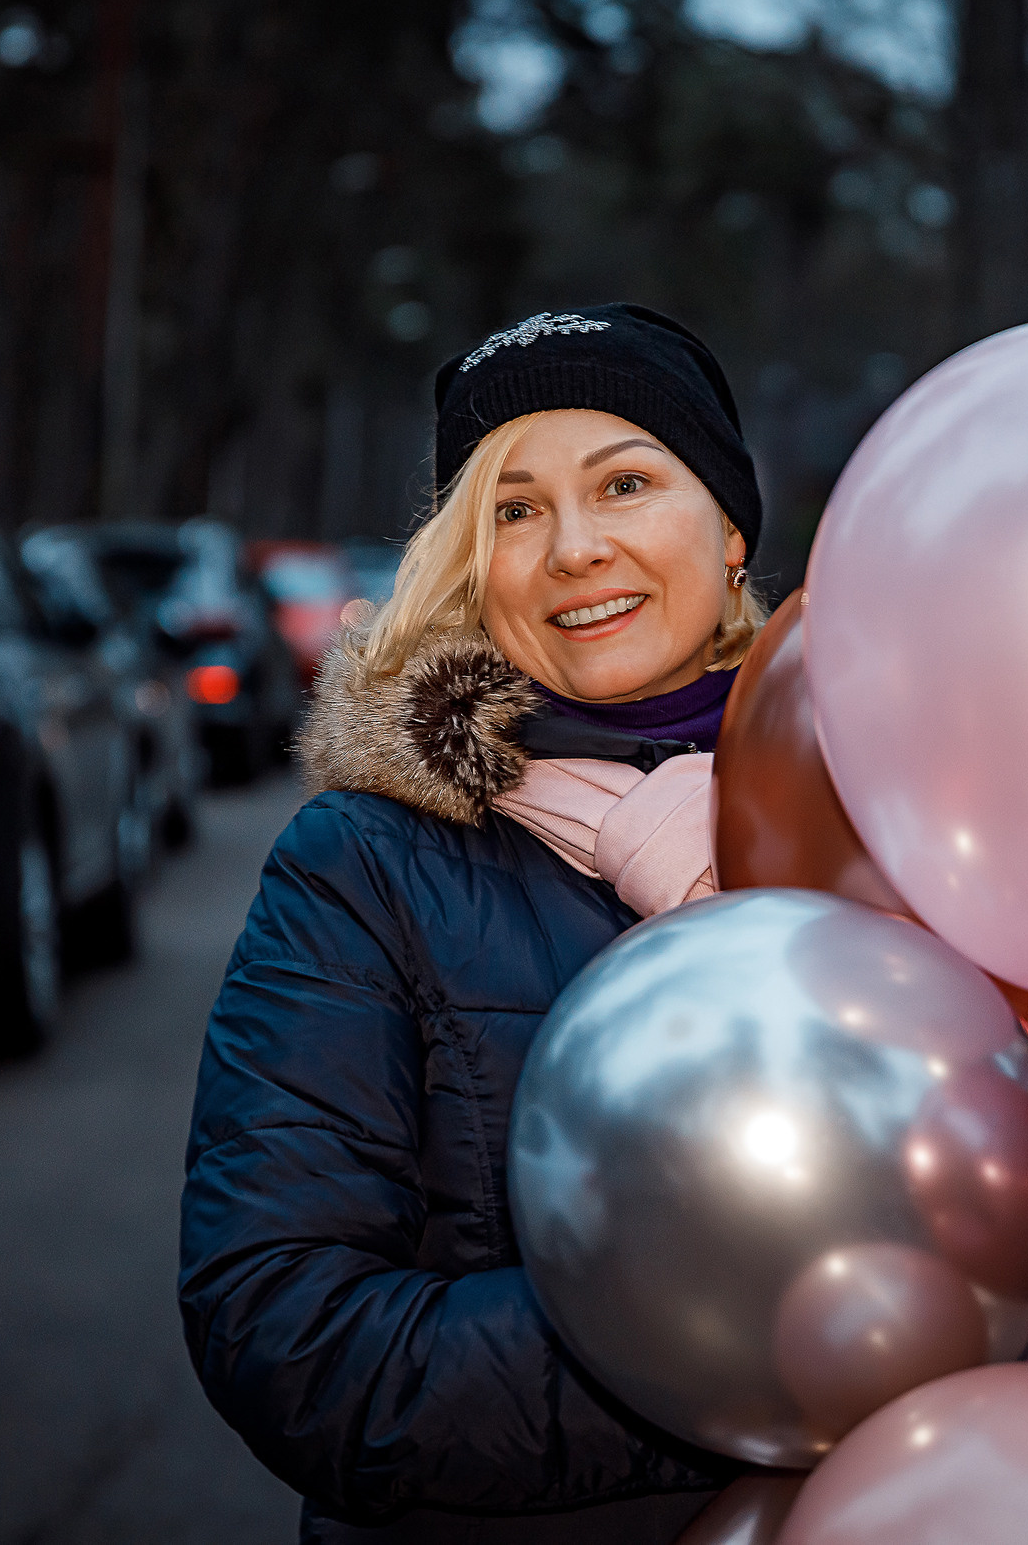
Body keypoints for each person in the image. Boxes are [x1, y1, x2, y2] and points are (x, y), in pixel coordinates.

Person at [179, 304, 772, 1543]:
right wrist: (725, 1358)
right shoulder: (365, 863)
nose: (573, 548)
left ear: (726, 530)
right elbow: (285, 1326)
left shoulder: (893, 814)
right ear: (470, 563)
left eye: (625, 481)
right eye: (513, 507)